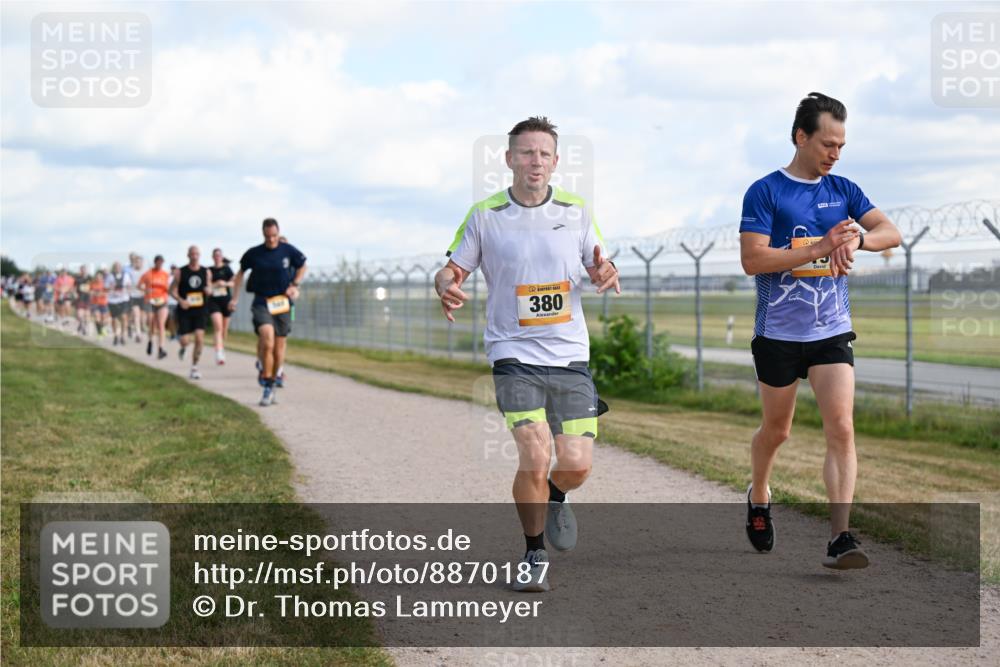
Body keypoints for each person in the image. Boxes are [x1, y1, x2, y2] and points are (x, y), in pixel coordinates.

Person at [435, 117, 619, 592]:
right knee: (535, 455)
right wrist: (446, 285)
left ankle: (557, 496)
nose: (534, 161)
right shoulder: (485, 214)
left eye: (543, 154)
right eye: (526, 152)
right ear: (509, 158)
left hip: (569, 355)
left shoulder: (576, 210)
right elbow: (453, 268)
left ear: (556, 162)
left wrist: (605, 272)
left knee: (575, 464)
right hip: (512, 351)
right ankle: (533, 553)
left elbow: (599, 262)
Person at [739, 92, 902, 570]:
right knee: (778, 430)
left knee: (843, 428)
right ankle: (760, 493)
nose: (835, 153)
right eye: (828, 143)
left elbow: (890, 231)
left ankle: (840, 538)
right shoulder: (766, 191)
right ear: (801, 137)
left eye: (842, 146)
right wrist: (819, 247)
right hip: (778, 334)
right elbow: (754, 260)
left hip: (831, 331)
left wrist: (859, 240)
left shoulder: (846, 189)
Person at [229, 218, 307, 406]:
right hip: (262, 301)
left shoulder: (288, 250)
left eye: (274, 236)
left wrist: (295, 284)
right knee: (267, 338)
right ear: (263, 234)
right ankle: (266, 381)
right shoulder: (254, 253)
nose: (271, 240)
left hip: (282, 303)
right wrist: (235, 297)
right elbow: (240, 273)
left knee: (279, 348)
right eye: (268, 236)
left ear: (278, 233)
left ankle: (273, 380)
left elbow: (303, 265)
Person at [170, 246, 212, 380]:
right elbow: (171, 290)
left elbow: (210, 287)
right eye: (192, 254)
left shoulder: (206, 272)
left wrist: (209, 290)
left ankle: (194, 367)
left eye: (197, 254)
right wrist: (180, 300)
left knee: (200, 338)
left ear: (199, 255)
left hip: (201, 310)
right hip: (185, 310)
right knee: (185, 341)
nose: (194, 256)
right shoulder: (180, 272)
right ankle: (183, 347)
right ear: (188, 255)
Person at [138, 255, 171, 359]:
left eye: (162, 262)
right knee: (151, 323)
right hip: (150, 301)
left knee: (161, 324)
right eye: (158, 262)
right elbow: (139, 285)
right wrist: (145, 290)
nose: (160, 264)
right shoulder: (148, 274)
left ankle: (161, 349)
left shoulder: (165, 275)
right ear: (155, 262)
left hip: (162, 301)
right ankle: (150, 341)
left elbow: (169, 288)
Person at [207, 248, 234, 365]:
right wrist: (214, 285)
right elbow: (207, 286)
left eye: (219, 255)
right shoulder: (209, 270)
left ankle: (221, 347)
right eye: (215, 255)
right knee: (218, 327)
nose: (217, 257)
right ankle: (218, 352)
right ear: (213, 257)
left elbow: (234, 282)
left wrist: (225, 283)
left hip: (226, 301)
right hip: (214, 301)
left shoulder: (227, 269)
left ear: (222, 257)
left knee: (224, 330)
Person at [106, 261, 132, 346]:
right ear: (114, 268)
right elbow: (106, 287)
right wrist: (111, 287)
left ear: (121, 268)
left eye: (119, 267)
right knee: (114, 319)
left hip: (123, 299)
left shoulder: (126, 275)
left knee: (124, 317)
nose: (117, 268)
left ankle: (123, 335)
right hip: (113, 300)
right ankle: (116, 335)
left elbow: (129, 285)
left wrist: (128, 289)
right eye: (116, 267)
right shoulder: (110, 276)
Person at [124, 253, 147, 343]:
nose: (138, 263)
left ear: (142, 263)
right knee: (136, 315)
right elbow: (127, 284)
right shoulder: (130, 272)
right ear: (134, 262)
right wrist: (129, 291)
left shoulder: (145, 272)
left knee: (142, 317)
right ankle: (138, 334)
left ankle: (135, 327)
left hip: (143, 296)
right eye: (137, 262)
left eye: (140, 262)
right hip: (134, 296)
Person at [89, 269, 110, 337]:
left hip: (103, 303)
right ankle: (99, 333)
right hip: (95, 303)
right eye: (97, 276)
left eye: (99, 276)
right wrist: (94, 293)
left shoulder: (105, 283)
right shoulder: (92, 283)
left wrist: (100, 294)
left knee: (104, 319)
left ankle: (102, 329)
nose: (98, 278)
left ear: (102, 277)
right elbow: (90, 292)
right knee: (97, 317)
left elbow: (107, 292)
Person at [74, 266, 92, 335]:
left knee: (87, 314)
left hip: (87, 298)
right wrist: (75, 293)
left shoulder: (89, 278)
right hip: (80, 297)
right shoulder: (77, 278)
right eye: (82, 270)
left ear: (86, 270)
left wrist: (91, 292)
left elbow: (92, 286)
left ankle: (85, 327)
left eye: (84, 270)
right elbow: (74, 287)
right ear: (80, 270)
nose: (83, 271)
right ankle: (82, 325)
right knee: (79, 314)